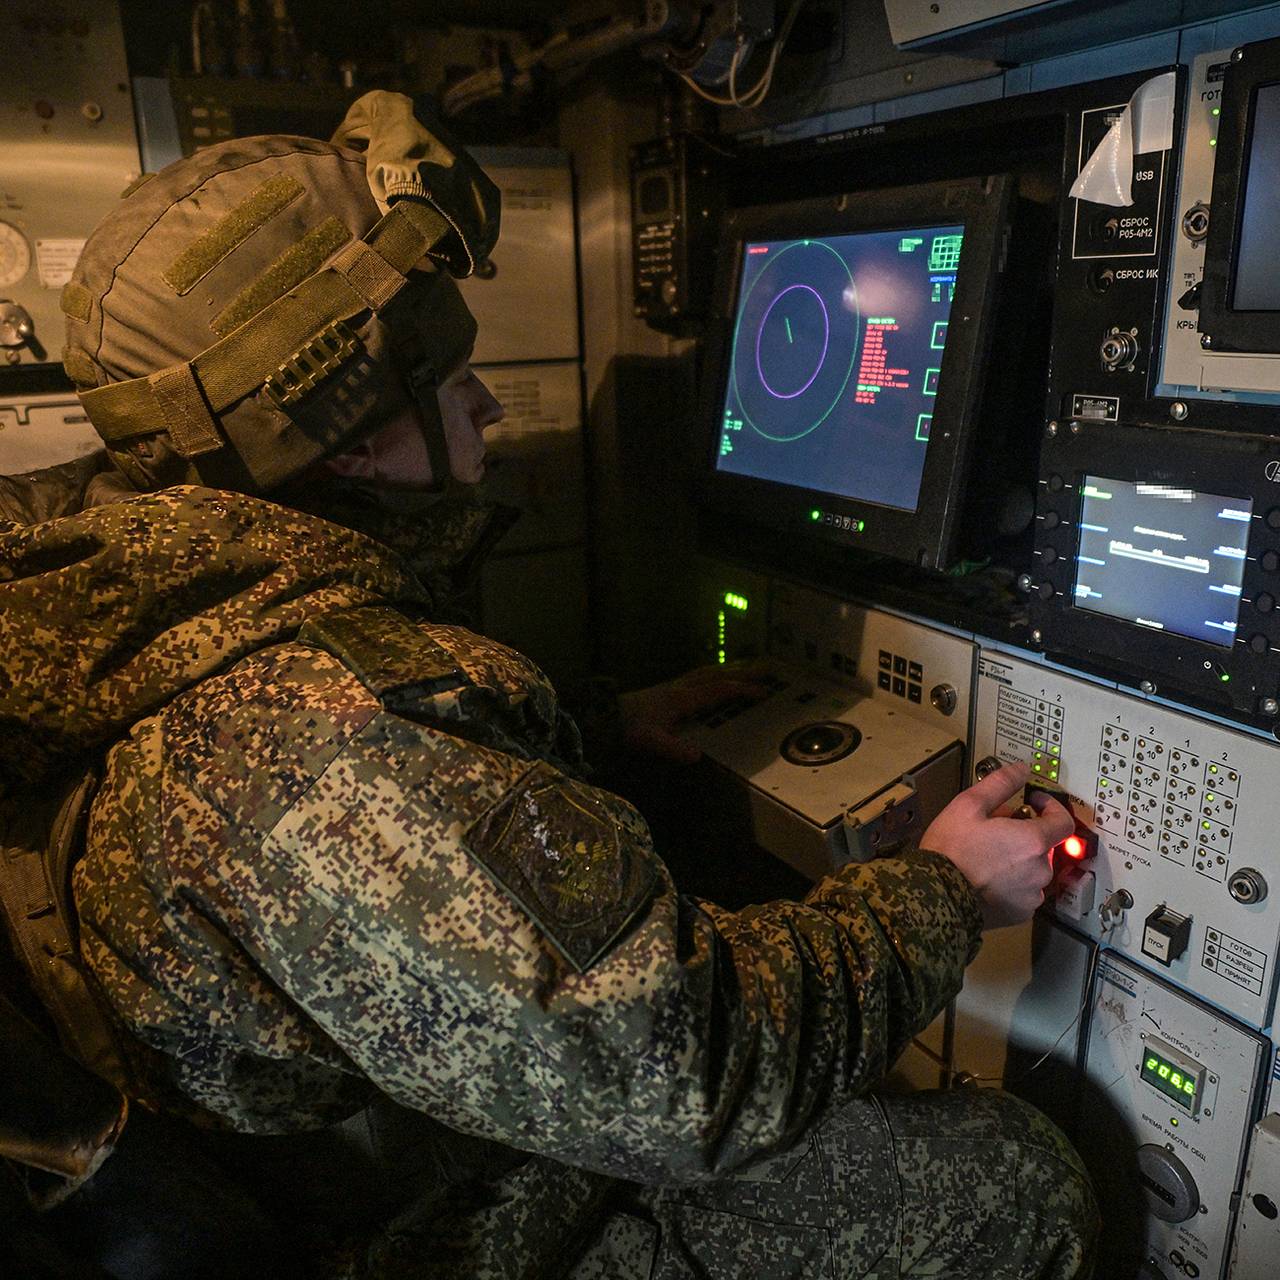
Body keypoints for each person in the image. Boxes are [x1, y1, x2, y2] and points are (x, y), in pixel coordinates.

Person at [0, 92, 1098, 1277]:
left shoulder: (123, 577)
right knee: (1011, 1176)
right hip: (409, 1229)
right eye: (451, 373)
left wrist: (592, 719)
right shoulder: (323, 745)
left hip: (342, 1148)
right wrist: (940, 890)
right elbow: (693, 1077)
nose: (480, 402)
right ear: (347, 439)